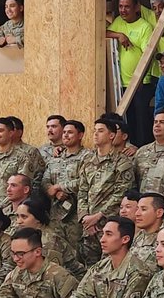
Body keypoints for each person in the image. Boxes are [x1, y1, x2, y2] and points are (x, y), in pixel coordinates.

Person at [75, 117, 136, 266]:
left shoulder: (122, 162)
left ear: (111, 135)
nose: (95, 134)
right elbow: (82, 190)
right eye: (94, 131)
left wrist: (98, 216)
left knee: (109, 265)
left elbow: (121, 193)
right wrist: (85, 218)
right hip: (88, 226)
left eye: (100, 131)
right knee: (89, 268)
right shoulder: (87, 160)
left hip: (110, 223)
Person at [106, 0, 157, 146]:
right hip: (120, 83)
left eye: (127, 7)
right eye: (121, 6)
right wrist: (119, 35)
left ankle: (141, 150)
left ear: (136, 8)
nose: (123, 10)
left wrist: (140, 78)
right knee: (126, 121)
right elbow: (101, 33)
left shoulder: (144, 27)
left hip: (140, 84)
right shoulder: (118, 23)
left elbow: (148, 55)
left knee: (141, 121)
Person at [42, 120, 91, 258]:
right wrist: (52, 191)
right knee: (55, 251)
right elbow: (45, 180)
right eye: (64, 132)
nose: (65, 135)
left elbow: (85, 180)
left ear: (80, 135)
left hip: (76, 215)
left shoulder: (88, 156)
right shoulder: (56, 157)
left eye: (70, 132)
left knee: (77, 253)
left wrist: (60, 187)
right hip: (55, 215)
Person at [0, 117, 45, 210]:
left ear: (11, 133)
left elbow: (21, 187)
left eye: (0, 130)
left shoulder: (22, 157)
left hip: (12, 210)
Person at [133, 109, 164, 216]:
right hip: (143, 214)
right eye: (155, 122)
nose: (157, 125)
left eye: (162, 122)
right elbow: (134, 183)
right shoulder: (142, 152)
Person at [13, 195, 77, 272]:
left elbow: (52, 272)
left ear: (38, 219)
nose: (18, 221)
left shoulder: (49, 241)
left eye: (24, 217)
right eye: (17, 216)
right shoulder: (25, 234)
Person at [129, 192, 164, 267]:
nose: (137, 213)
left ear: (159, 213)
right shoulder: (139, 235)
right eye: (137, 209)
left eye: (143, 209)